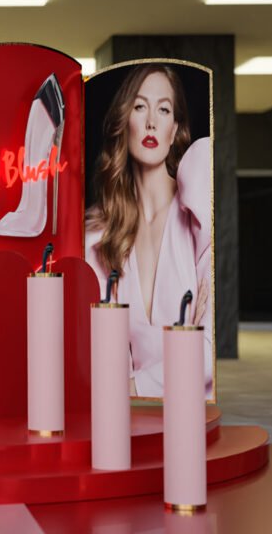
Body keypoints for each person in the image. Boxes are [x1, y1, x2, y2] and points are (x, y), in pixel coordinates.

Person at [85, 64, 213, 399]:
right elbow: (107, 358)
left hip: (193, 413)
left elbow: (207, 355)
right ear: (124, 120)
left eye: (164, 109)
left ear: (175, 130)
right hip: (128, 417)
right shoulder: (101, 236)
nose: (152, 122)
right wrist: (184, 345)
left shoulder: (198, 212)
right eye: (140, 106)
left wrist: (132, 386)